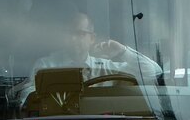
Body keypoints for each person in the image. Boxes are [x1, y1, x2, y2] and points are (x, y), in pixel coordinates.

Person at [32, 11, 161, 82]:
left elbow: (153, 72)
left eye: (79, 34)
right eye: (69, 34)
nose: (72, 39)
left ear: (92, 38)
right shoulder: (46, 66)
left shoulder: (105, 67)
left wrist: (122, 51)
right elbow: (28, 98)